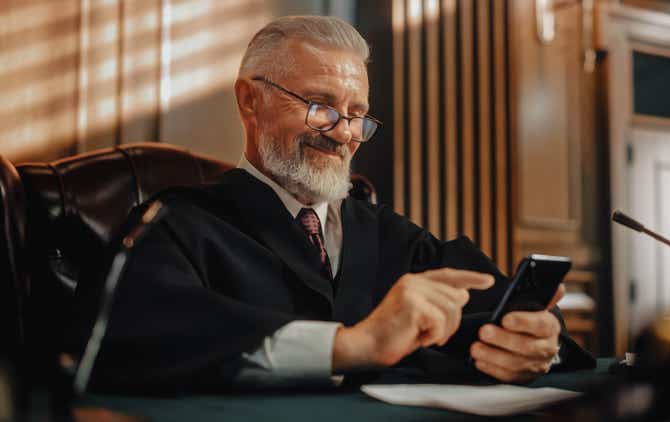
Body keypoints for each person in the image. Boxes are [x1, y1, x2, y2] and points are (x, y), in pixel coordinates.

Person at [70, 15, 593, 393]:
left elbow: (503, 308)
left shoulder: (387, 234)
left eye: (358, 114)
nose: (344, 133)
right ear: (250, 100)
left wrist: (539, 342)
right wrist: (354, 345)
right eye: (321, 107)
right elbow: (131, 340)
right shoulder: (180, 223)